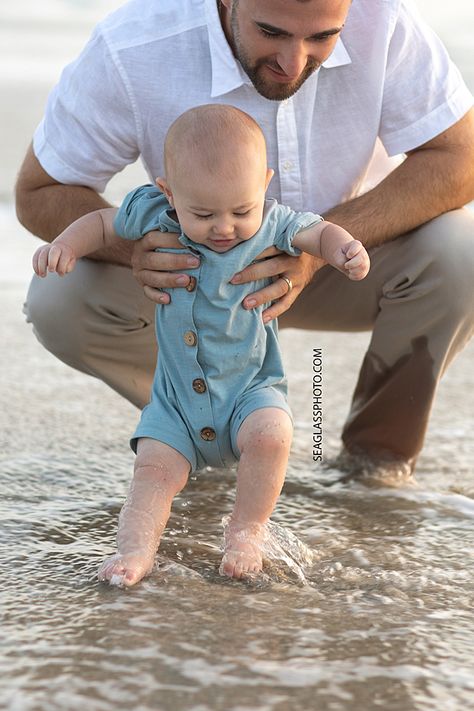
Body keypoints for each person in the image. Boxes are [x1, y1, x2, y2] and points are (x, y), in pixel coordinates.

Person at [16, 0, 474, 482]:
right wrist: (138, 250)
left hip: (341, 255)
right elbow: (39, 191)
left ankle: (375, 464)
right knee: (59, 296)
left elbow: (461, 159)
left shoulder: (385, 20)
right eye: (271, 32)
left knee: (461, 251)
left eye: (322, 37)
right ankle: (203, 427)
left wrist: (315, 255)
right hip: (190, 278)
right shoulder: (132, 45)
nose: (294, 63)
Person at [32, 105, 370, 585]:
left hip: (249, 392)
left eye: (241, 210)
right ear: (168, 192)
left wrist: (342, 249)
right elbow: (104, 224)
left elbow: (317, 232)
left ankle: (247, 531)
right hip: (176, 406)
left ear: (265, 184)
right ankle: (133, 552)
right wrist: (65, 245)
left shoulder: (274, 223)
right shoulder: (151, 210)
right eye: (203, 213)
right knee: (152, 471)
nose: (225, 227)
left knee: (273, 436)